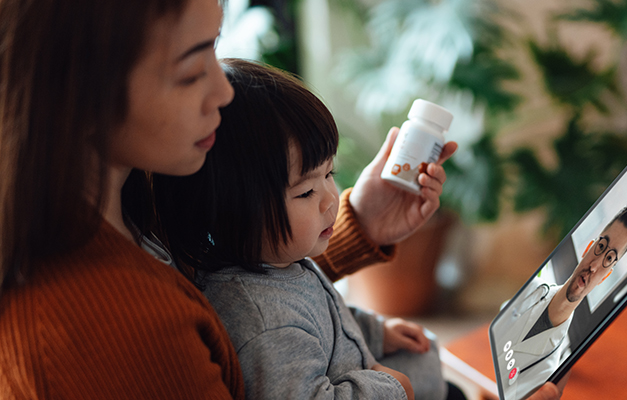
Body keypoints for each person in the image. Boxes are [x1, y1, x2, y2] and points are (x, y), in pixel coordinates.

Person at [0, 0, 455, 397]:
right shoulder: (118, 331)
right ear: (83, 92)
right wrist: (389, 386)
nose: (223, 91)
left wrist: (361, 221)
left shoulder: (141, 208)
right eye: (191, 70)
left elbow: (259, 291)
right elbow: (259, 323)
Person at [152, 58, 461, 399]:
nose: (331, 199)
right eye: (305, 191)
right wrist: (390, 388)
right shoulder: (265, 322)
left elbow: (322, 315)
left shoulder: (277, 262)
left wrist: (374, 332)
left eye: (329, 173)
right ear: (230, 208)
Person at [497, 200, 627, 400]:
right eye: (601, 246)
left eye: (609, 259)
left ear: (606, 275)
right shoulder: (528, 293)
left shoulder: (559, 362)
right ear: (588, 248)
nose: (594, 265)